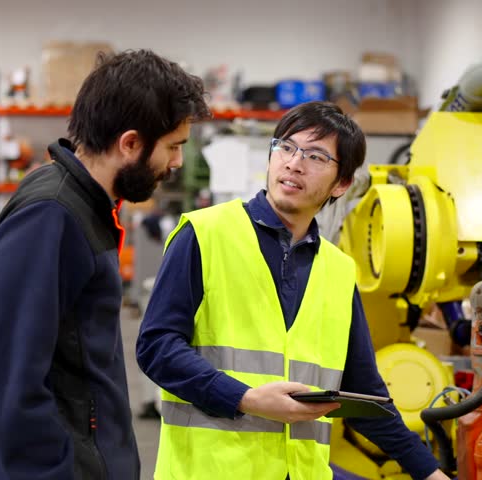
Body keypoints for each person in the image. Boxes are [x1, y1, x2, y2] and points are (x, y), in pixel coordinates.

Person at [136, 101, 450, 480]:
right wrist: (245, 399)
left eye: (316, 156)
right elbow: (157, 347)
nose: (294, 163)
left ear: (342, 183)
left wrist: (430, 473)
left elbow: (364, 392)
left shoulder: (338, 269)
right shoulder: (205, 234)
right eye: (286, 147)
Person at [0, 49, 209, 480]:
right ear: (130, 144)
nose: (177, 162)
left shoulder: (86, 206)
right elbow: (8, 377)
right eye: (173, 147)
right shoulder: (50, 215)